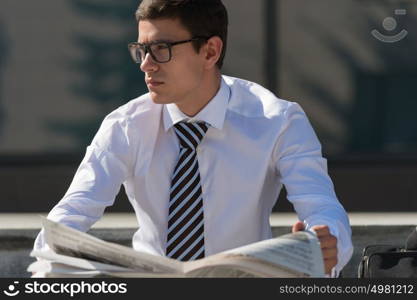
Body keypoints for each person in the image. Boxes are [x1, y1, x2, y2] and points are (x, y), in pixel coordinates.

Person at [34, 0, 353, 277]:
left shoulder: (278, 120)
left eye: (161, 49)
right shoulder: (125, 125)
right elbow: (73, 211)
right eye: (141, 50)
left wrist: (328, 244)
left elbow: (321, 206)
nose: (146, 64)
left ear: (210, 51)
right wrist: (51, 263)